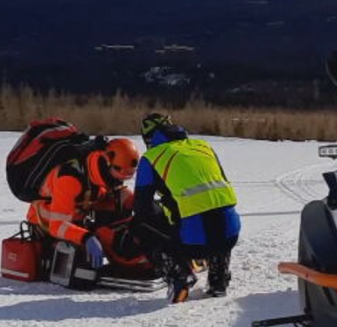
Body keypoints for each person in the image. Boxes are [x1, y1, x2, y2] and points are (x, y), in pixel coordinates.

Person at [135, 113, 240, 302]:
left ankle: (179, 277)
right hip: (230, 235)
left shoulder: (151, 158)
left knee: (140, 225)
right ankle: (219, 279)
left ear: (148, 138)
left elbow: (142, 207)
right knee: (216, 209)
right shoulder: (204, 147)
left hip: (194, 242)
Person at [25, 136, 150, 273]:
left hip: (76, 217)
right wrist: (87, 237)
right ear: (107, 162)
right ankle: (125, 257)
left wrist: (145, 206)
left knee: (121, 204)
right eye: (120, 174)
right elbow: (57, 225)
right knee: (101, 236)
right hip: (46, 223)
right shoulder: (70, 178)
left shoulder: (104, 174)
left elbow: (121, 196)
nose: (121, 179)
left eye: (128, 175)